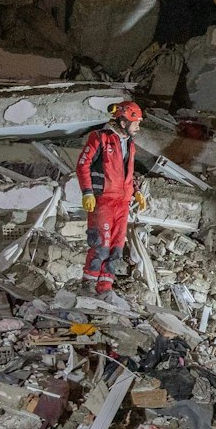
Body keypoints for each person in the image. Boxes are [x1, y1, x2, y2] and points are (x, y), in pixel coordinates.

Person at [77, 100, 143, 293]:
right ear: (123, 122)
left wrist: (136, 191)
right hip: (104, 201)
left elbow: (128, 171)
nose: (138, 127)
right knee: (101, 245)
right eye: (136, 122)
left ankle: (105, 287)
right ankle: (89, 285)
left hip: (122, 202)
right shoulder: (100, 138)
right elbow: (83, 165)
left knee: (116, 248)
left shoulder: (129, 144)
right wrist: (88, 192)